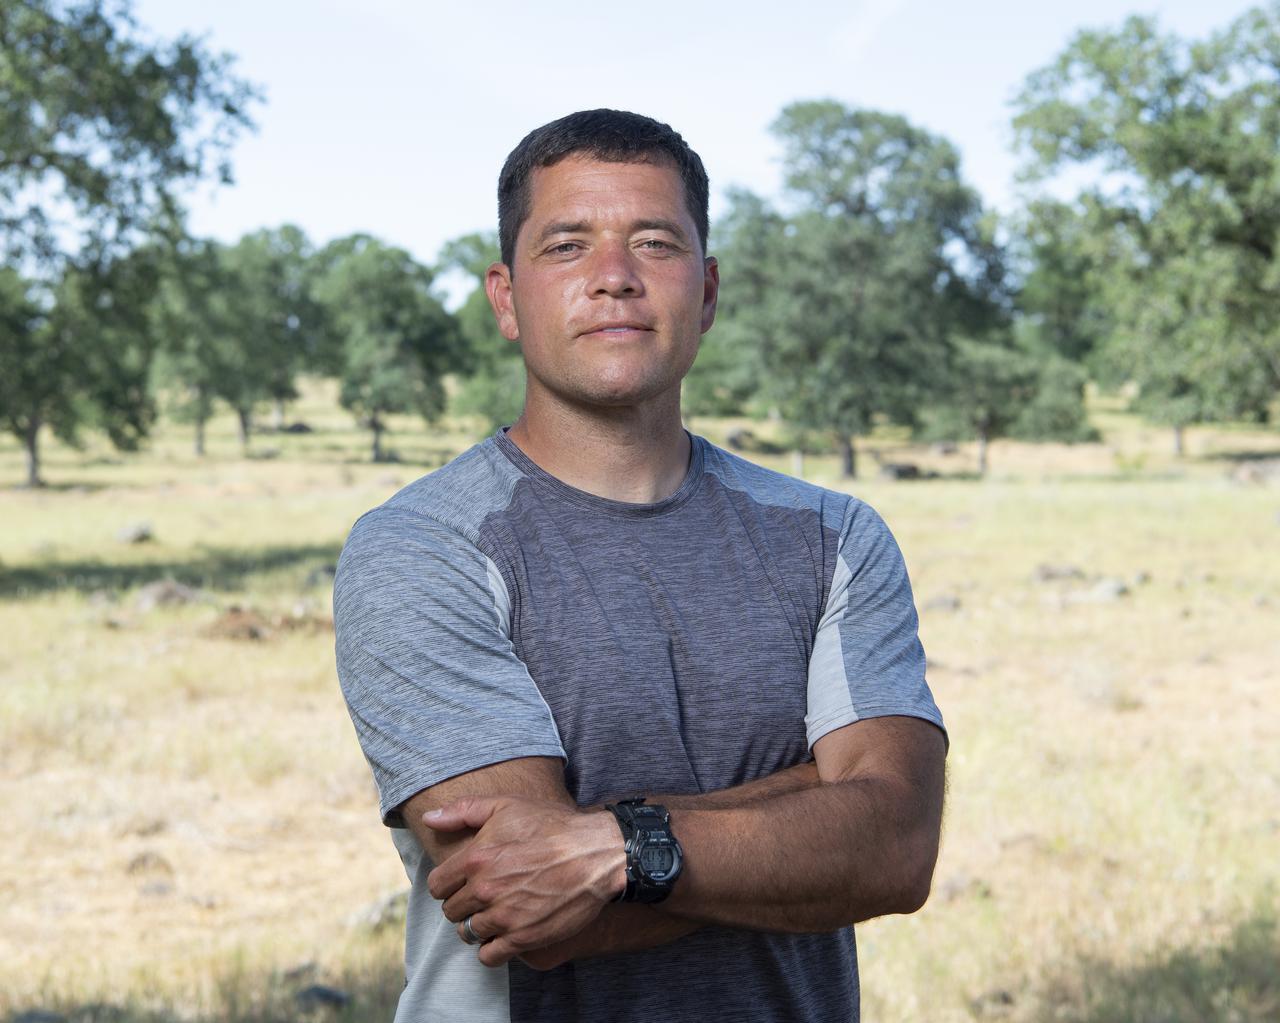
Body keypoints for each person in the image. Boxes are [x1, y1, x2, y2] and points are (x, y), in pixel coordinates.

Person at [334, 108, 947, 1023]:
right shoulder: (422, 546)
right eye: (567, 246)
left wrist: (614, 845)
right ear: (506, 299)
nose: (614, 276)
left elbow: (897, 846)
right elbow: (521, 903)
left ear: (707, 291)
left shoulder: (832, 536)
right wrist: (819, 799)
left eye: (655, 243)